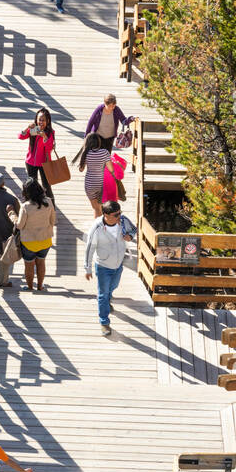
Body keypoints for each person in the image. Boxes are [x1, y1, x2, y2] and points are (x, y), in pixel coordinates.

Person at [84, 199, 133, 336]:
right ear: (106, 215)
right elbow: (89, 248)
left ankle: (107, 299)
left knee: (113, 287)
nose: (119, 217)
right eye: (116, 215)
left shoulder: (122, 220)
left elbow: (133, 230)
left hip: (118, 263)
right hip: (103, 266)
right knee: (102, 294)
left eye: (120, 213)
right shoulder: (96, 228)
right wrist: (87, 268)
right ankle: (104, 322)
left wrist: (130, 236)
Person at [8, 177, 55, 292]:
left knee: (29, 266)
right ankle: (40, 286)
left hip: (29, 242)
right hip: (45, 240)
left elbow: (19, 225)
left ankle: (29, 287)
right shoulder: (49, 201)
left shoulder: (26, 206)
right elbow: (52, 221)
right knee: (41, 263)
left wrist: (11, 214)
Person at [18, 108, 57, 206]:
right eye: (39, 119)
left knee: (46, 187)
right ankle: (33, 208)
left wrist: (44, 137)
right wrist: (27, 128)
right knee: (31, 186)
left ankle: (52, 210)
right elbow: (20, 136)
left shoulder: (50, 132)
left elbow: (49, 148)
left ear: (48, 121)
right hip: (31, 162)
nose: (41, 122)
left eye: (43, 120)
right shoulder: (33, 130)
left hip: (45, 163)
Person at [79, 133, 113, 219]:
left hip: (89, 184)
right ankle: (100, 227)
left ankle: (97, 227)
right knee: (100, 207)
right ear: (99, 142)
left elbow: (81, 169)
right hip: (101, 184)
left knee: (96, 208)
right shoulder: (105, 152)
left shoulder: (86, 153)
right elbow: (111, 169)